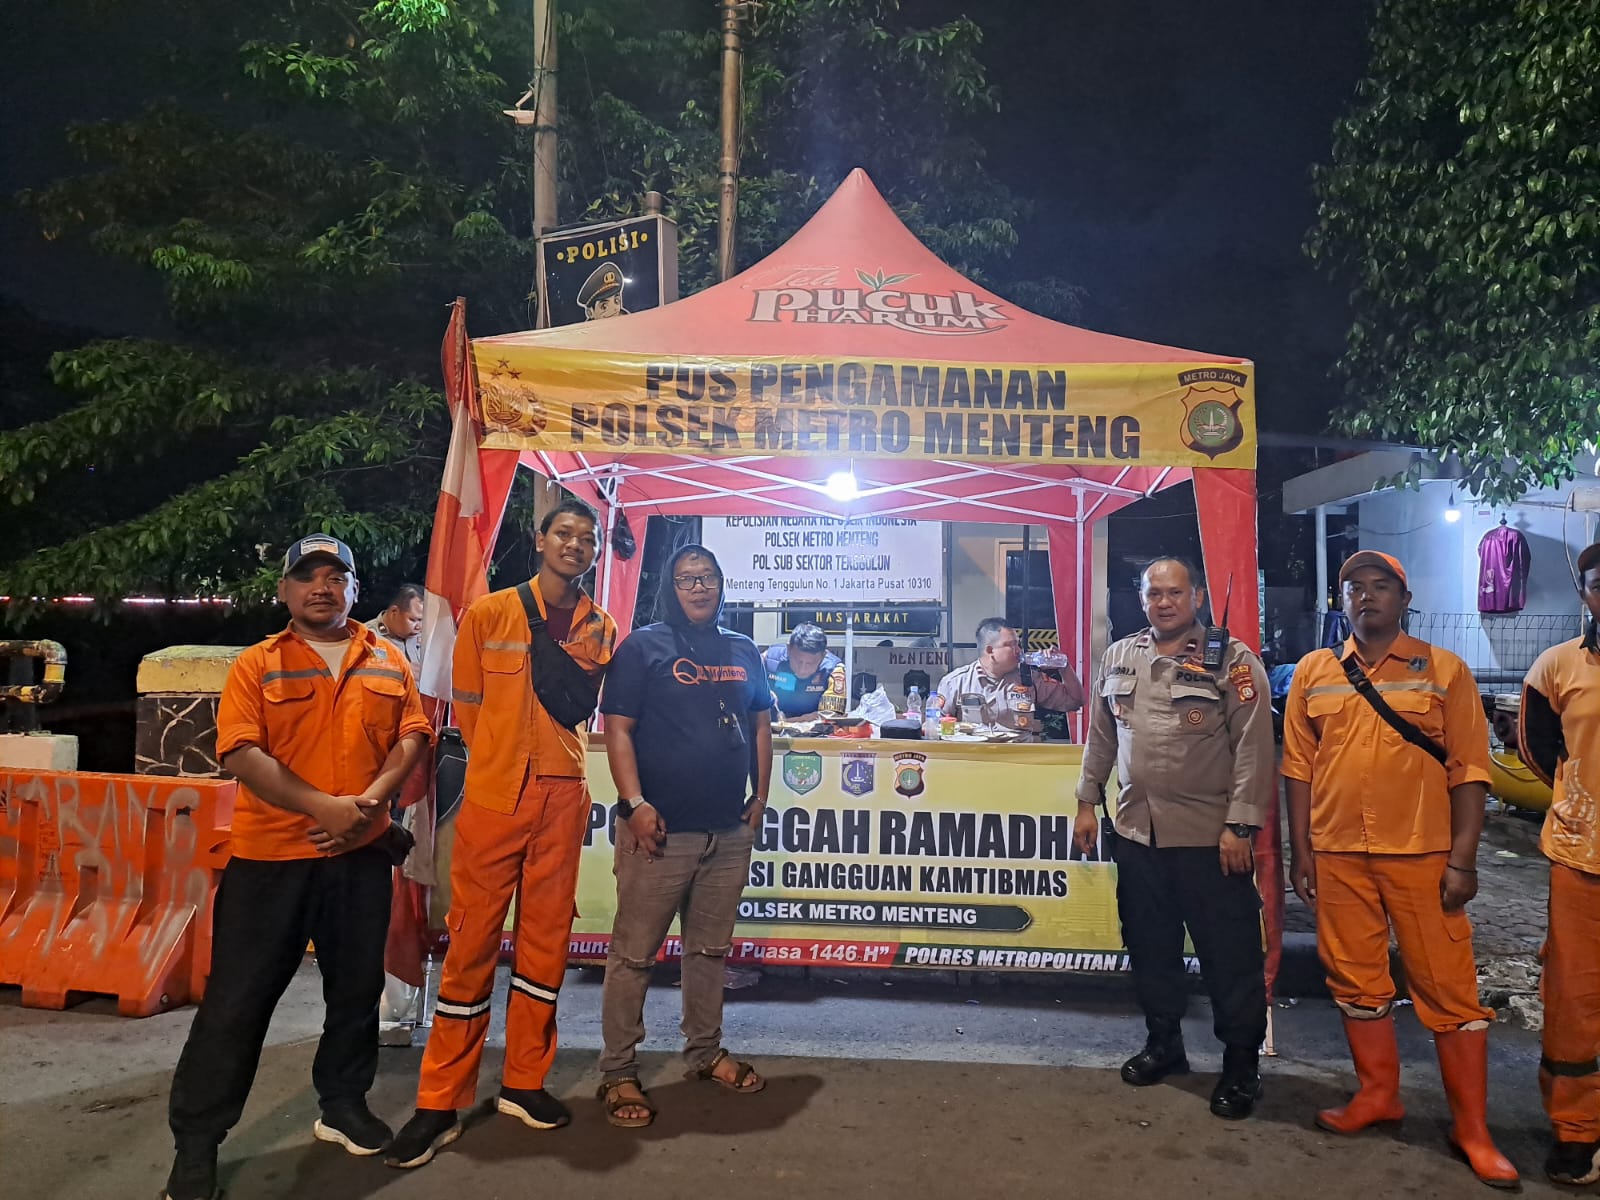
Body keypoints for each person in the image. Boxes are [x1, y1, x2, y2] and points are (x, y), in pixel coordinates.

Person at [162, 535, 431, 1200]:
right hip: (271, 860)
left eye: (335, 577)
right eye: (307, 577)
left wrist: (368, 806)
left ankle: (342, 1105)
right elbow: (240, 753)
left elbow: (413, 735)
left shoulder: (388, 659)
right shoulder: (257, 664)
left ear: (355, 590)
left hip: (359, 858)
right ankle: (197, 1144)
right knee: (236, 1003)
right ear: (284, 590)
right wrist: (324, 808)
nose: (321, 588)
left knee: (355, 992)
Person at [386, 497, 618, 1169]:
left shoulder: (601, 626)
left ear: (595, 552)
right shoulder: (490, 614)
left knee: (546, 945)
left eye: (586, 538)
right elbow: (469, 709)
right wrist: (500, 766)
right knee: (471, 946)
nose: (574, 544)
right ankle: (439, 1101)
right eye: (563, 532)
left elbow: (581, 708)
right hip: (495, 797)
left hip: (563, 796)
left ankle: (524, 1082)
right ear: (540, 539)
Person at [1282, 550, 1517, 1190]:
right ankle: (1378, 1095)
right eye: (1354, 587)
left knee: (1449, 991)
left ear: (1404, 599)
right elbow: (1297, 767)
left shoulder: (1444, 671)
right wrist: (1302, 851)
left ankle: (1473, 1130)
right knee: (1354, 979)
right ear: (1341, 602)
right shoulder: (1313, 672)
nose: (1366, 596)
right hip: (1338, 854)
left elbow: (1470, 769)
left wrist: (1463, 859)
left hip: (1422, 856)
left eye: (1380, 586)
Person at [1073, 557, 1273, 1120]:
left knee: (1229, 958)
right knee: (1150, 948)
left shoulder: (1233, 661)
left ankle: (1241, 1066)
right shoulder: (1120, 656)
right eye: (1154, 593)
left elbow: (1254, 750)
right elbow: (1101, 736)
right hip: (1137, 834)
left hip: (1210, 839)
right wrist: (1087, 801)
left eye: (1175, 593)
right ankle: (1165, 1044)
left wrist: (1240, 826)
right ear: (1142, 599)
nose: (1164, 602)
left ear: (1197, 597)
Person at [593, 544, 773, 1129]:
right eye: (687, 578)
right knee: (633, 957)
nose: (699, 587)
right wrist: (634, 804)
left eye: (708, 577)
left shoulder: (743, 649)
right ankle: (618, 1071)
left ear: (721, 584)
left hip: (727, 831)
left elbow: (760, 723)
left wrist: (760, 797)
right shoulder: (643, 647)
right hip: (660, 832)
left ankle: (705, 1052)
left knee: (709, 952)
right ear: (670, 589)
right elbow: (618, 729)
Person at [1520, 541, 1600, 1186]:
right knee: (1574, 998)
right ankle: (1577, 1129)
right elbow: (1537, 747)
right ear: (1584, 593)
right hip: (1581, 859)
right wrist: (1579, 802)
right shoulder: (1556, 667)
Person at [935, 617, 1084, 740]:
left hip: (1018, 759)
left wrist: (1063, 667)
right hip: (974, 758)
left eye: (1017, 644)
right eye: (1011, 645)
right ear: (990, 650)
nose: (1019, 650)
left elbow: (1075, 701)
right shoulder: (957, 682)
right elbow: (935, 726)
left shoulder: (1028, 678)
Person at [764, 623, 840, 720]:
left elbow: (830, 717)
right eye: (798, 661)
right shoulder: (768, 660)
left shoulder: (833, 670)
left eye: (810, 664)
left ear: (823, 656)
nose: (802, 669)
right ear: (789, 649)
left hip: (814, 729)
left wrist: (788, 722)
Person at [372, 583, 425, 671]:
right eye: (413, 620)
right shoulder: (367, 637)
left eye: (424, 621)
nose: (419, 627)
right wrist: (400, 671)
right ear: (394, 612)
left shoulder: (427, 636)